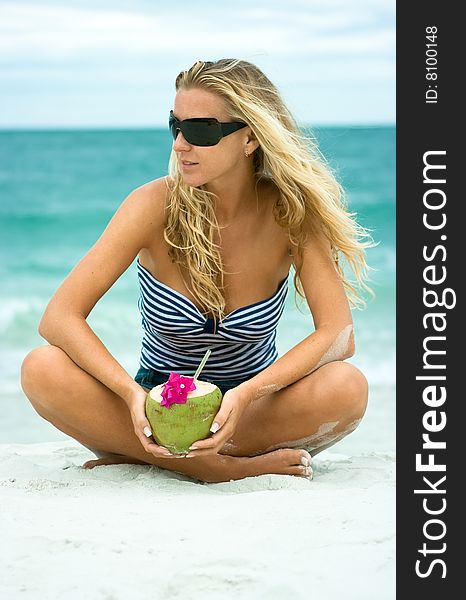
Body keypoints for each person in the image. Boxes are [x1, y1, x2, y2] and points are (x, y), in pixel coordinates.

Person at [20, 58, 371, 483]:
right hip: (151, 408)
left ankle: (153, 457)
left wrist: (246, 395)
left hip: (248, 410)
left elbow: (338, 334)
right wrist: (131, 396)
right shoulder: (153, 205)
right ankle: (218, 468)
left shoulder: (291, 215)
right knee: (41, 367)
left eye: (201, 130)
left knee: (347, 386)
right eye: (176, 126)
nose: (180, 145)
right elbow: (58, 319)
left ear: (250, 138)